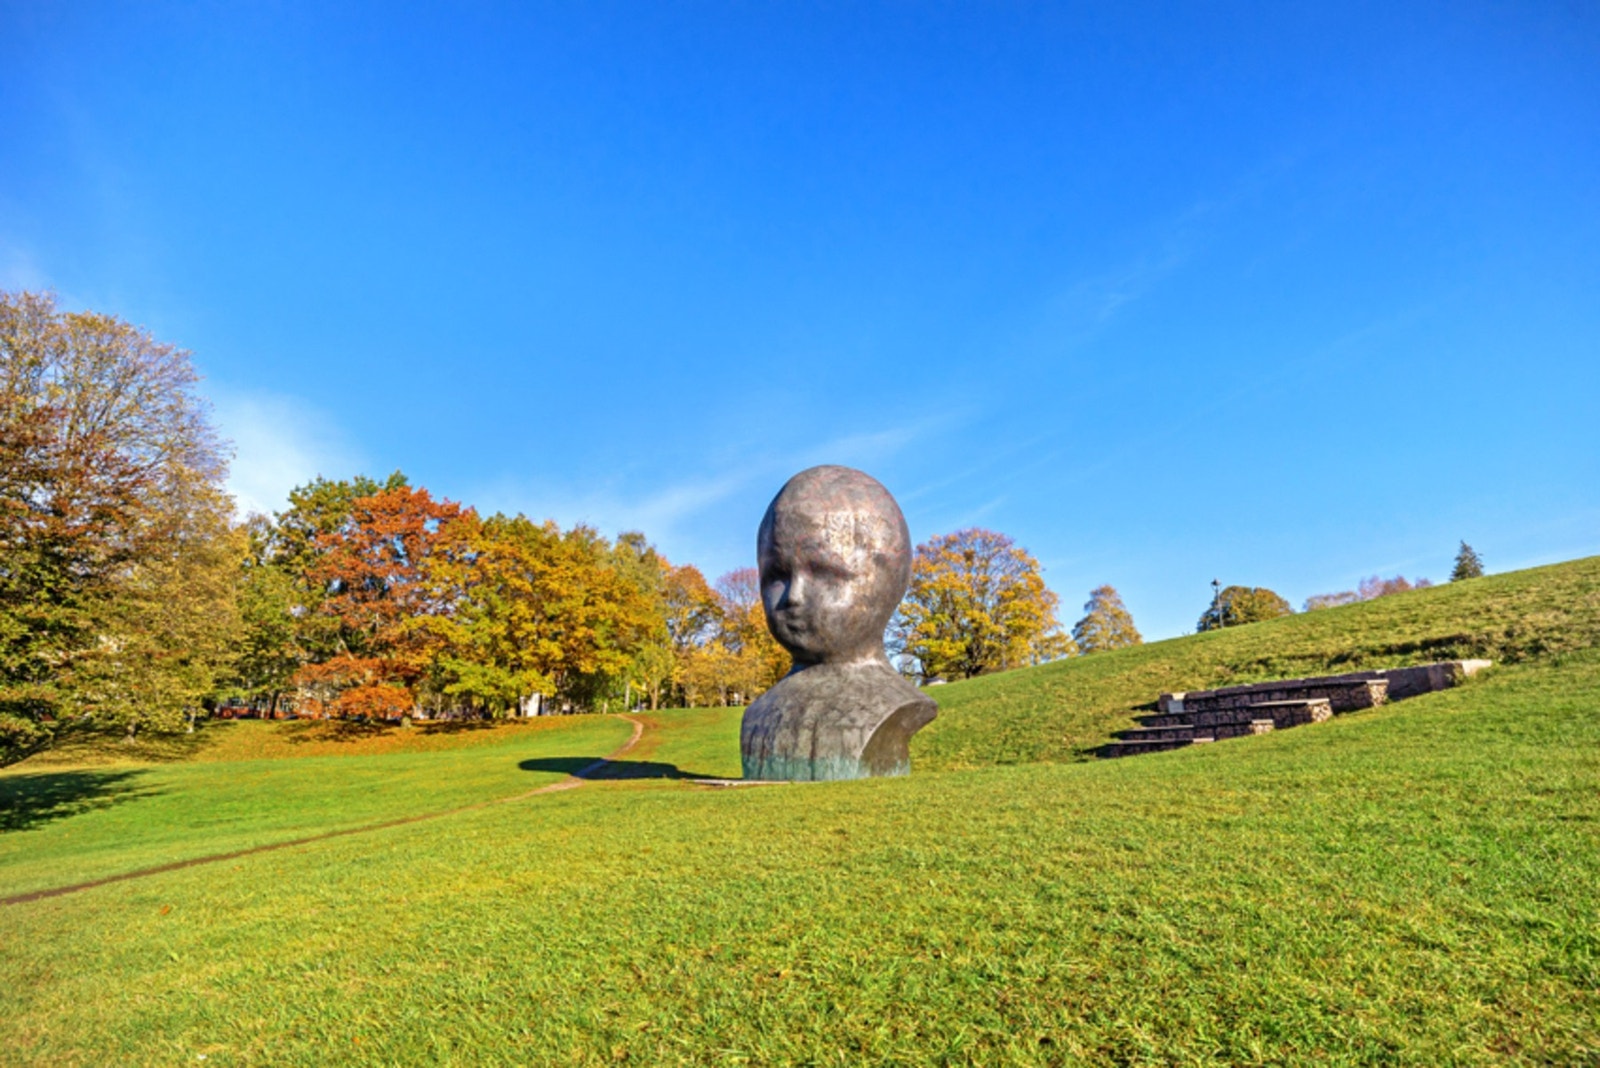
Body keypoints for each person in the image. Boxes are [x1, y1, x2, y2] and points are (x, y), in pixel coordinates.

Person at [740, 465, 938, 780]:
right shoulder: (758, 714)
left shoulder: (893, 705)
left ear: (889, 579)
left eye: (823, 572)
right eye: (777, 575)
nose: (795, 596)